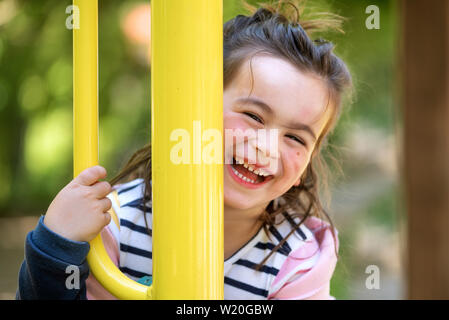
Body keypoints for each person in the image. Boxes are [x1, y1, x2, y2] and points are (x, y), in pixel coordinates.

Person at [17, 0, 352, 300]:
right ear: (196, 109)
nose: (266, 147)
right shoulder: (114, 224)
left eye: (295, 138)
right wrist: (54, 247)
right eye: (252, 116)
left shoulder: (298, 261)